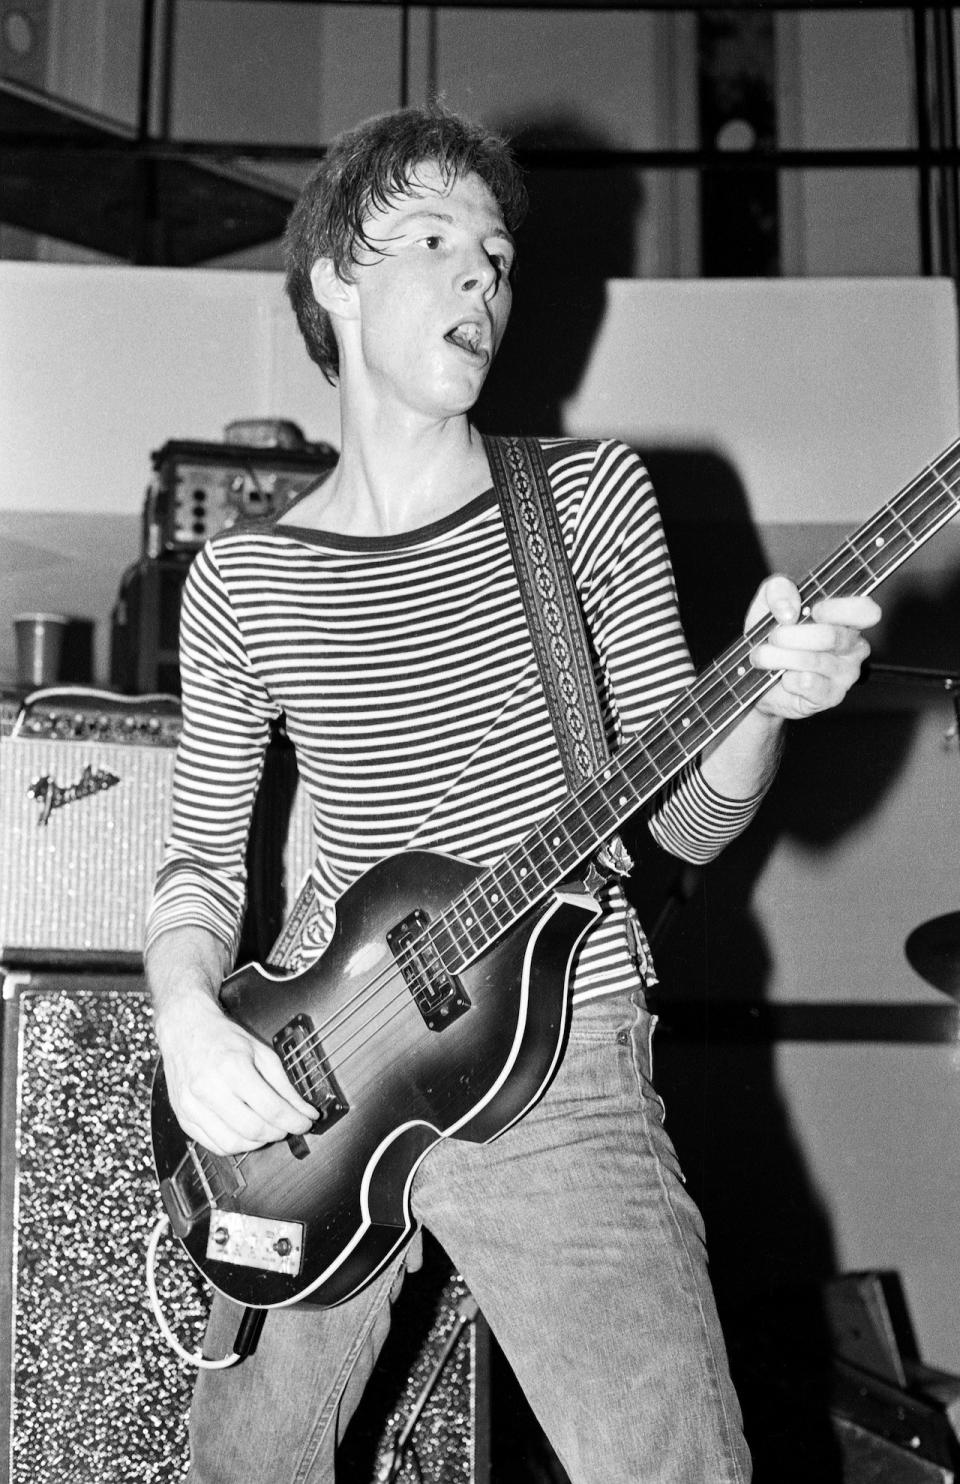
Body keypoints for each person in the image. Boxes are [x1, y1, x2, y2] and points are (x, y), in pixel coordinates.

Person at [145, 104, 879, 1484]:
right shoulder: (242, 582)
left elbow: (684, 823)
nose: (482, 274)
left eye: (495, 252)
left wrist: (763, 711)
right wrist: (189, 1016)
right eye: (432, 239)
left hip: (564, 1059)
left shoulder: (588, 501)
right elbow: (198, 863)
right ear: (333, 282)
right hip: (320, 1079)